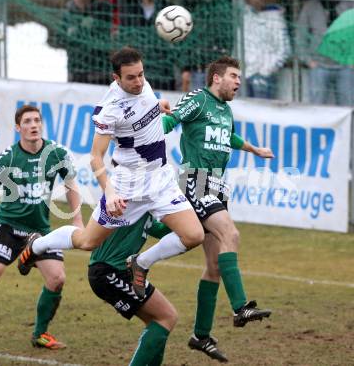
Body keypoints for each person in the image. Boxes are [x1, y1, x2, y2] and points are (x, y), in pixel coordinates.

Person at [17, 47, 205, 285]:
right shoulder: (111, 110)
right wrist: (111, 192)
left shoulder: (143, 86)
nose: (138, 81)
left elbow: (143, 106)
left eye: (141, 74)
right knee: (88, 241)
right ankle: (38, 244)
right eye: (131, 77)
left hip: (160, 179)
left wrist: (159, 105)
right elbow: (96, 156)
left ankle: (141, 263)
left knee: (194, 235)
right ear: (116, 78)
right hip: (127, 187)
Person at [128, 56, 274, 361]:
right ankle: (241, 307)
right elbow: (173, 120)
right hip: (197, 179)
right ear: (216, 78)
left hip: (219, 185)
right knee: (230, 234)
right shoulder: (199, 98)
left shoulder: (226, 110)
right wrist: (157, 120)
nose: (238, 82)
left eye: (239, 77)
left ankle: (201, 336)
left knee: (214, 265)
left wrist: (254, 149)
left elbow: (227, 137)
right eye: (234, 76)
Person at [0, 105, 83, 353]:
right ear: (18, 128)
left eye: (37, 120)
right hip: (9, 227)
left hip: (39, 230)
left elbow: (72, 184)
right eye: (28, 121)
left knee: (57, 278)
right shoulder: (8, 157)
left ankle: (40, 334)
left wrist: (78, 222)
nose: (34, 125)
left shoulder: (55, 153)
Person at [88, 213, 182, 365]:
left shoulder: (146, 205)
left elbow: (159, 230)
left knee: (158, 321)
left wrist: (189, 222)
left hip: (118, 271)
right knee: (167, 317)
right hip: (110, 271)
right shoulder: (135, 197)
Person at [297, 0, 354, 106]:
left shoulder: (350, 4)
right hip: (318, 66)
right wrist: (308, 61)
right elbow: (300, 35)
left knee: (348, 107)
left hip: (346, 67)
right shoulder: (310, 6)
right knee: (317, 107)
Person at [242, 0, 291, 99]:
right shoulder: (245, 16)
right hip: (243, 74)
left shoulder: (276, 19)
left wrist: (266, 71)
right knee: (242, 113)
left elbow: (285, 51)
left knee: (262, 113)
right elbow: (240, 43)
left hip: (263, 76)